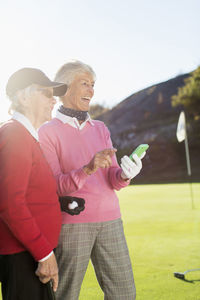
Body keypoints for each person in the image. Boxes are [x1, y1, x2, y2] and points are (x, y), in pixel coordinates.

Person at [39, 60, 145, 300]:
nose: (91, 90)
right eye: (84, 83)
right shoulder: (48, 132)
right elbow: (54, 186)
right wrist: (87, 169)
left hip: (111, 220)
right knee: (64, 294)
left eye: (93, 84)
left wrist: (126, 174)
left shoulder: (100, 128)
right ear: (65, 88)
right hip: (72, 225)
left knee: (124, 293)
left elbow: (114, 180)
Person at [0, 68, 67, 300]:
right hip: (24, 256)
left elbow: (29, 194)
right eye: (47, 93)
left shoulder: (25, 136)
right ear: (23, 97)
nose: (54, 100)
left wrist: (62, 203)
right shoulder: (15, 135)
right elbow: (11, 203)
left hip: (30, 254)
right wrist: (44, 254)